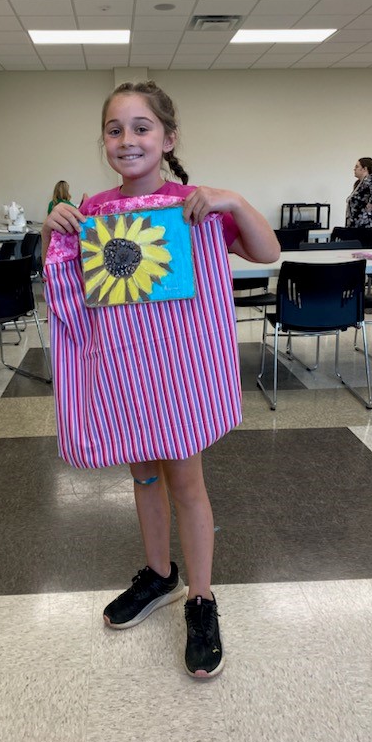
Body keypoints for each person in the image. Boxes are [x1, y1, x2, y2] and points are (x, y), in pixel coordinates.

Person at [41, 80, 279, 679]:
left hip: (177, 378)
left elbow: (268, 251)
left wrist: (229, 199)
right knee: (144, 478)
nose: (128, 140)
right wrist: (53, 231)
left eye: (142, 127)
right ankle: (160, 574)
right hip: (123, 373)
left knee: (186, 484)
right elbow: (67, 289)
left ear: (168, 138)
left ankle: (200, 596)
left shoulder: (194, 206)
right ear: (104, 141)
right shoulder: (93, 213)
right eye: (115, 129)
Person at [345, 157, 372, 228]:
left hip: (366, 226)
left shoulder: (369, 181)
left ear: (364, 169)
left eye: (357, 167)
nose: (354, 169)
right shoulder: (360, 184)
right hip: (357, 225)